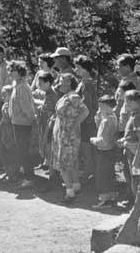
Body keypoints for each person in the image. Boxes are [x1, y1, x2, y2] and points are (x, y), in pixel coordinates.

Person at [50, 73, 89, 203]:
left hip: (68, 135)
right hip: (62, 133)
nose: (59, 83)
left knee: (64, 163)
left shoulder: (73, 96)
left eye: (62, 81)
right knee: (70, 161)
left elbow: (85, 111)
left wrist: (74, 125)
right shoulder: (65, 96)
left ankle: (69, 192)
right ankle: (76, 186)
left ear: (69, 83)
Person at [8, 61, 37, 189]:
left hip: (23, 124)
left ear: (20, 72)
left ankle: (29, 178)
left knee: (24, 151)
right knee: (21, 150)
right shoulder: (17, 85)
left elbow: (27, 107)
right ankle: (25, 175)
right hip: (17, 122)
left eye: (12, 70)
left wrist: (32, 120)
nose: (10, 73)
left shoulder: (23, 87)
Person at [117, 90, 140, 200]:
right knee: (132, 178)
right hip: (130, 152)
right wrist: (124, 139)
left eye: (128, 101)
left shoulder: (138, 117)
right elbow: (133, 135)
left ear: (136, 102)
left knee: (136, 179)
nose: (126, 103)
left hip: (135, 154)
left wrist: (137, 158)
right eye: (126, 101)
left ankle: (139, 205)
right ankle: (135, 203)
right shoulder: (133, 115)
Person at [90, 95, 118, 208]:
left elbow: (103, 140)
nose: (99, 109)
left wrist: (93, 140)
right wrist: (97, 119)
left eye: (101, 106)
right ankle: (112, 196)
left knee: (102, 175)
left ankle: (104, 200)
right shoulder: (113, 117)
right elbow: (102, 130)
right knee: (110, 173)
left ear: (106, 107)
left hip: (104, 151)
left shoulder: (106, 121)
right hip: (111, 150)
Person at [75, 55, 98, 183]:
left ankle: (88, 174)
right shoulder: (84, 82)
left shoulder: (87, 84)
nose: (76, 70)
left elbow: (86, 105)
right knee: (86, 149)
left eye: (78, 67)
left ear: (85, 69)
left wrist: (77, 120)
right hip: (86, 121)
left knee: (86, 149)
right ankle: (91, 174)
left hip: (87, 122)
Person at [35, 72, 58, 170]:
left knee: (48, 142)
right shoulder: (48, 93)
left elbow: (51, 111)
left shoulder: (51, 94)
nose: (39, 85)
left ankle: (51, 165)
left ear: (48, 83)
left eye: (41, 83)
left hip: (49, 123)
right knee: (46, 143)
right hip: (45, 122)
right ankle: (47, 162)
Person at [0, 85, 18, 182]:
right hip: (4, 132)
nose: (2, 96)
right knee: (2, 152)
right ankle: (7, 171)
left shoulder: (13, 105)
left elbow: (8, 118)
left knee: (10, 154)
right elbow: (3, 118)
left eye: (5, 94)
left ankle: (12, 175)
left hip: (11, 132)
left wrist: (1, 125)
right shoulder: (5, 105)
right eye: (1, 94)